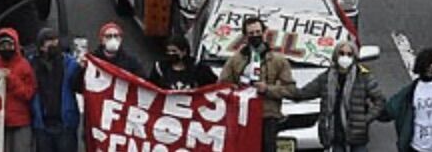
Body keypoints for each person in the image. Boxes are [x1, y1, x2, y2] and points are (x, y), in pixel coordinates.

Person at [292, 40, 386, 151]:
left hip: (357, 136)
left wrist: (365, 119)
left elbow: (380, 100)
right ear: (336, 55)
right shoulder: (326, 78)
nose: (345, 57)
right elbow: (303, 93)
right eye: (341, 53)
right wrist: (277, 89)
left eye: (349, 54)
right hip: (334, 135)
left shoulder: (363, 77)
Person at [220, 16, 296, 152]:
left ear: (264, 32)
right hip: (243, 115)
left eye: (258, 32)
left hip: (268, 115)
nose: (255, 36)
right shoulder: (235, 60)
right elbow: (222, 86)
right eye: (251, 33)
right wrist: (236, 90)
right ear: (245, 36)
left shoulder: (278, 60)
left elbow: (290, 90)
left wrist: (268, 89)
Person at [30, 28, 82, 152]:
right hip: (42, 125)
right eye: (49, 41)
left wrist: (82, 70)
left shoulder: (70, 64)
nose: (54, 44)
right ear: (41, 47)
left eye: (55, 40)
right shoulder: (32, 65)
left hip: (65, 124)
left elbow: (79, 86)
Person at [0, 28, 38, 152]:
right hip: (0, 121)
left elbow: (28, 94)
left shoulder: (24, 65)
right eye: (2, 45)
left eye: (9, 45)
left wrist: (11, 79)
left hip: (20, 122)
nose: (6, 48)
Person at [148, 35, 218, 91]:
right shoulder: (160, 68)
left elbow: (213, 86)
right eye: (169, 51)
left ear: (184, 52)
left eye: (174, 51)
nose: (171, 54)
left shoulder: (199, 68)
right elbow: (150, 87)